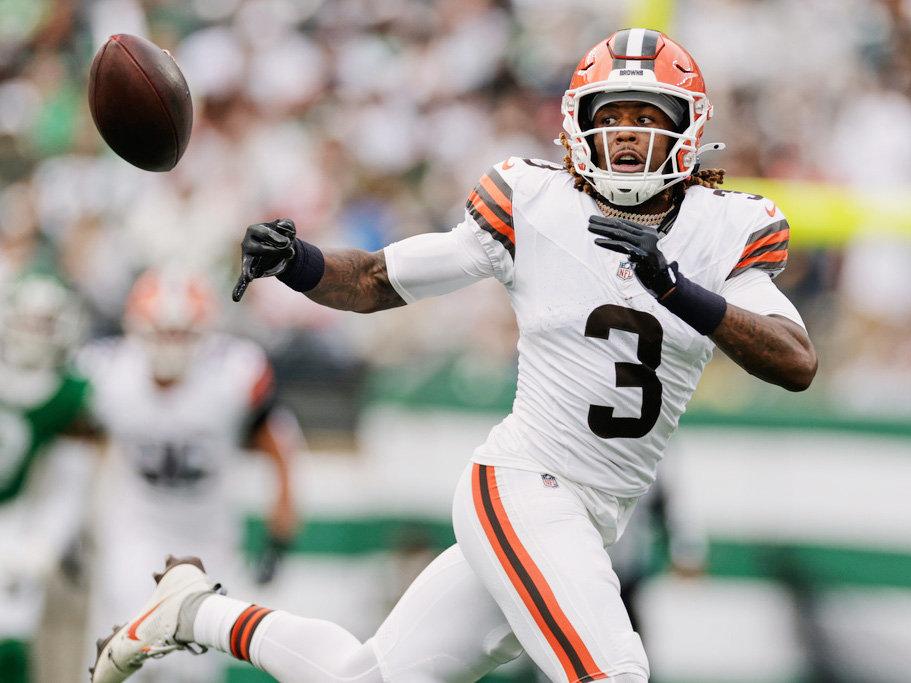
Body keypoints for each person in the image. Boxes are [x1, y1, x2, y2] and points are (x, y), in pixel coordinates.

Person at [89, 28, 817, 683]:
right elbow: (380, 279)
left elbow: (794, 360)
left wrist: (676, 287)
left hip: (597, 512)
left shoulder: (727, 228)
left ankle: (193, 612)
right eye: (611, 115)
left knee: (361, 676)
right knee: (615, 671)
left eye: (648, 117)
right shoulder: (536, 201)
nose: (627, 135)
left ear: (689, 131)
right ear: (577, 126)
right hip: (525, 485)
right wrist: (301, 261)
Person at [80, 266, 300, 683]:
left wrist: (281, 529)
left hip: (209, 537)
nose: (170, 345)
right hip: (135, 529)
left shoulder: (233, 373)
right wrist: (73, 523)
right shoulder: (109, 374)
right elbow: (74, 444)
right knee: (125, 647)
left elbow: (281, 443)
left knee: (194, 664)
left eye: (181, 333)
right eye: (160, 332)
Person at [0, 271, 96, 683]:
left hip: (13, 515)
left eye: (44, 323)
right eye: (26, 320)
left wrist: (45, 543)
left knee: (10, 633)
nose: (33, 333)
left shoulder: (69, 393)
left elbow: (70, 484)